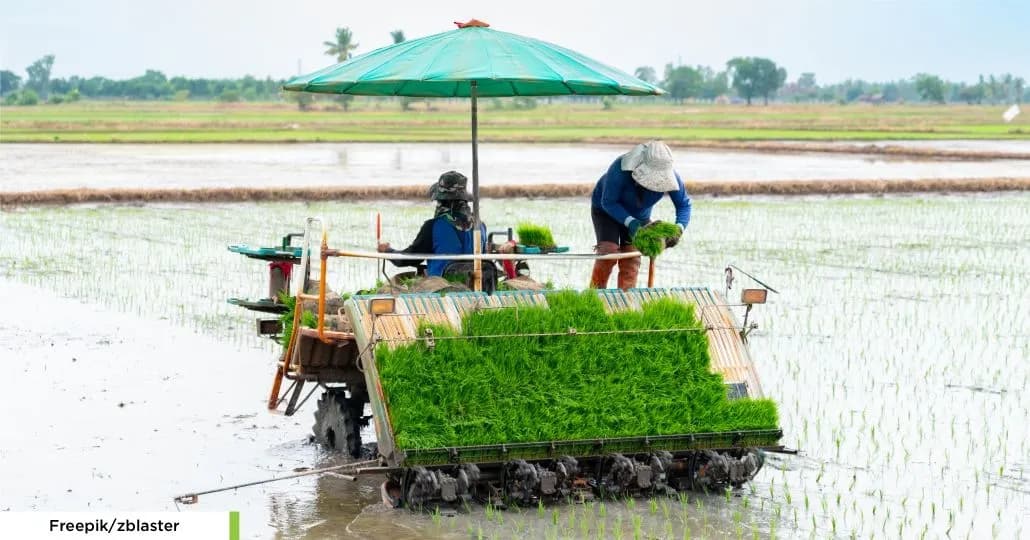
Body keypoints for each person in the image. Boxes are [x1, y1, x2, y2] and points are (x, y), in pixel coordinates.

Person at [589, 140, 692, 290]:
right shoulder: (620, 169)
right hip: (607, 211)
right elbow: (609, 202)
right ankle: (595, 294)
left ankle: (625, 300)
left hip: (639, 215)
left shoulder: (672, 178)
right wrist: (631, 223)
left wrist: (679, 228)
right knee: (608, 252)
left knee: (631, 257)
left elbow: (684, 205)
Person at [377, 171, 490, 281]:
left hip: (443, 288)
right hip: (475, 284)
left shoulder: (433, 226)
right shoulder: (480, 225)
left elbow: (407, 259)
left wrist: (387, 251)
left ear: (441, 201)